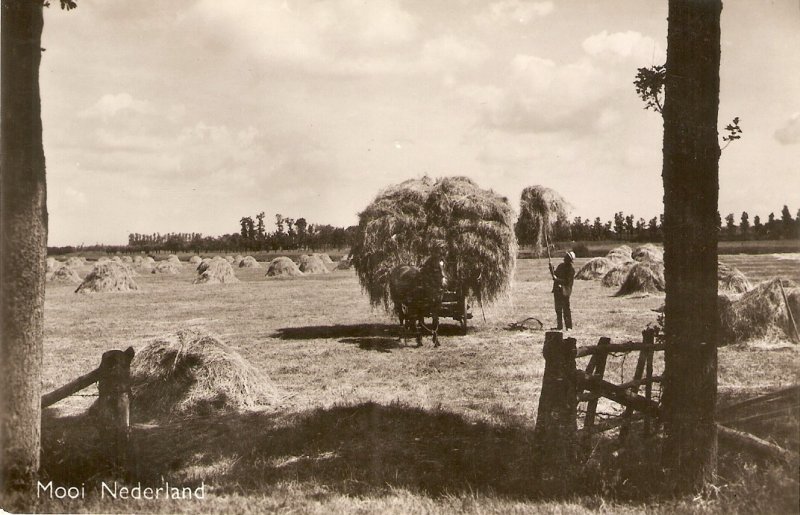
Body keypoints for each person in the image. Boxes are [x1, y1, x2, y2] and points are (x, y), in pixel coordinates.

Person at [550, 251, 575, 331]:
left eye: (566, 257)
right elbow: (555, 275)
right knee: (558, 309)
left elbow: (567, 282)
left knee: (566, 309)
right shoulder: (560, 266)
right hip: (557, 290)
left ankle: (569, 326)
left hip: (565, 291)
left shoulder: (571, 270)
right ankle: (559, 326)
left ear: (569, 259)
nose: (564, 257)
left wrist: (557, 279)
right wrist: (551, 269)